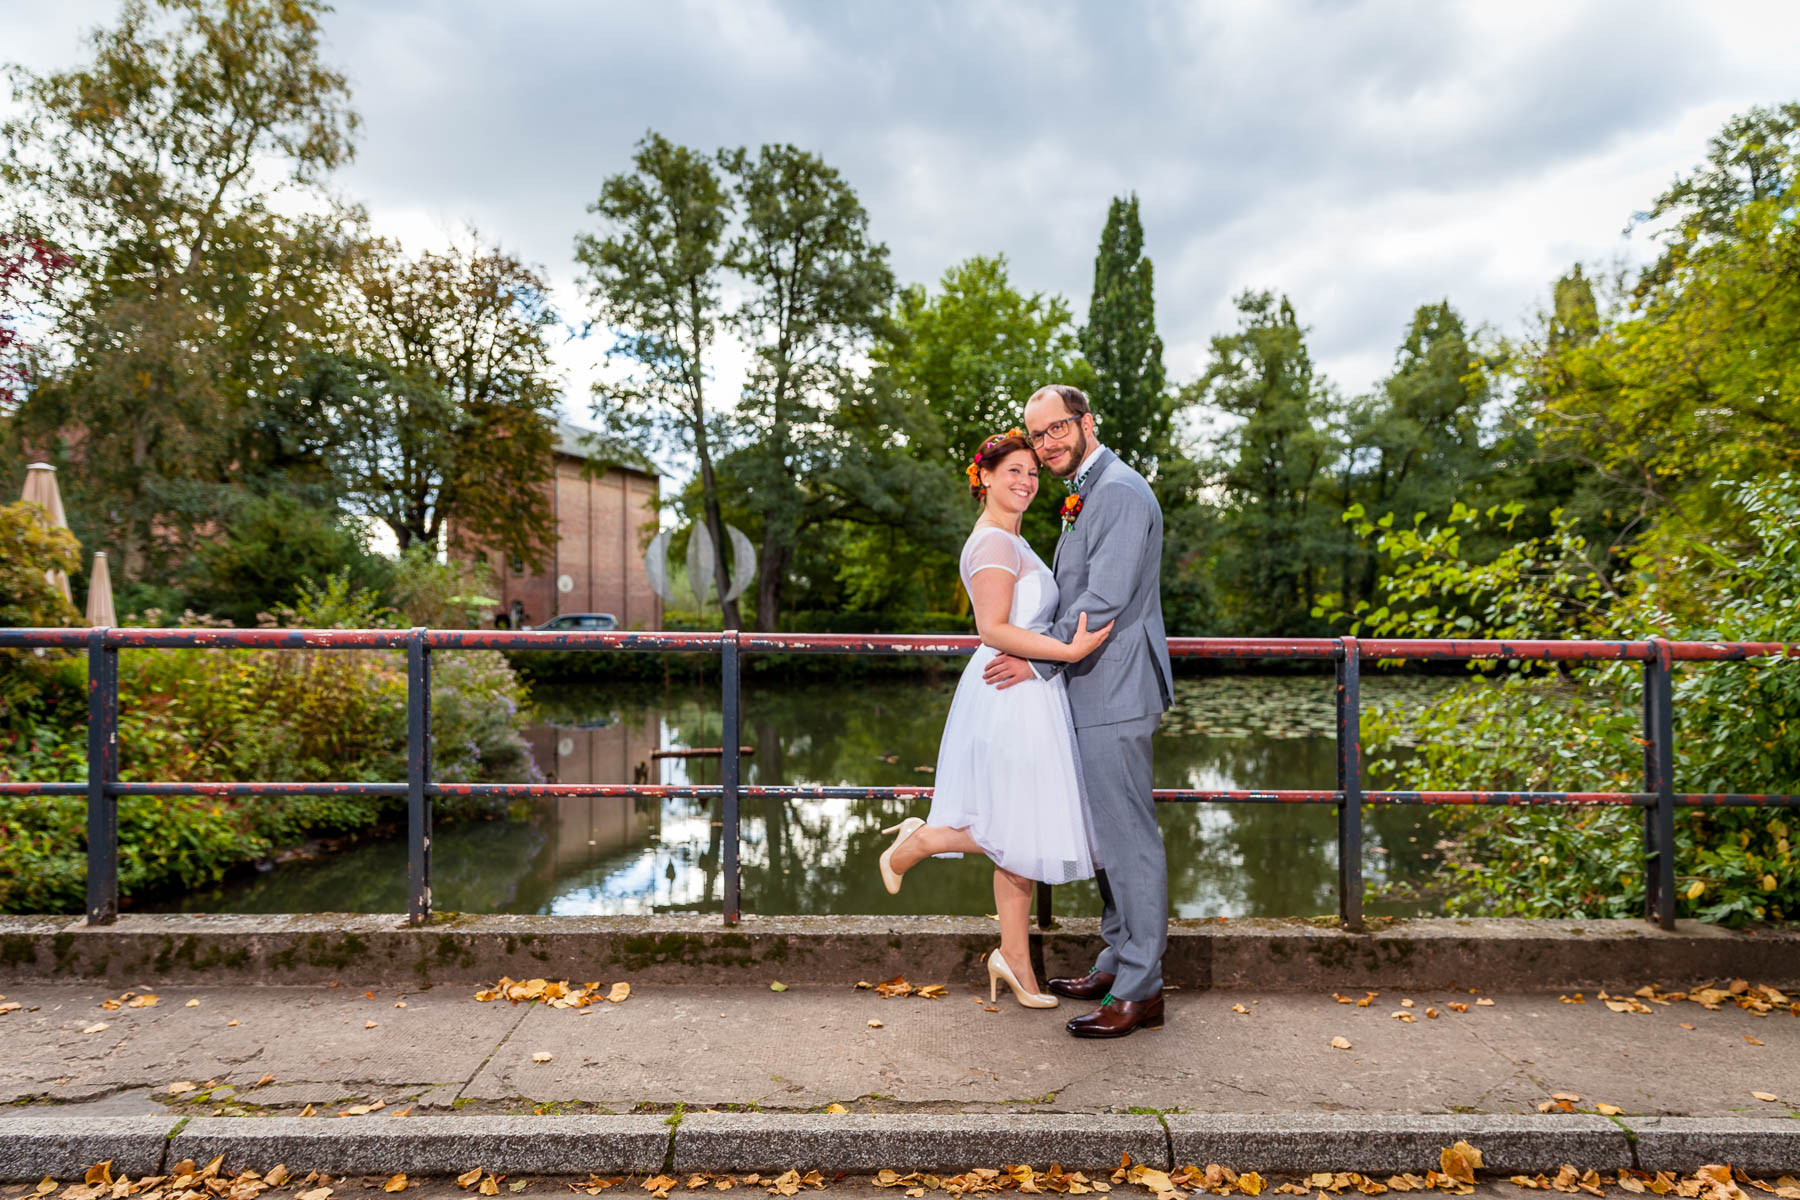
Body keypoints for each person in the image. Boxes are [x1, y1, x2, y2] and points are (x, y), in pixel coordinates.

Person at [877, 428, 1112, 1009]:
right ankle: (921, 841)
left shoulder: (1015, 539)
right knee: (1019, 826)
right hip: (1007, 692)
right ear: (984, 478)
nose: (1027, 482)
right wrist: (1069, 652)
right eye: (1014, 472)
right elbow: (992, 629)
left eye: (1033, 473)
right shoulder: (992, 544)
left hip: (1029, 690)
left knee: (1023, 829)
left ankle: (1014, 961)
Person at [983, 384, 1173, 1039]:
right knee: (1107, 843)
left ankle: (1142, 990)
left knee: (1130, 844)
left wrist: (1033, 656)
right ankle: (1118, 964)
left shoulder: (1117, 490)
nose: (1048, 443)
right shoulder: (1088, 491)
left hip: (1114, 689)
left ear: (1087, 422)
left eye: (1058, 428)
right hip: (1091, 685)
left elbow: (1102, 598)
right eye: (1038, 435)